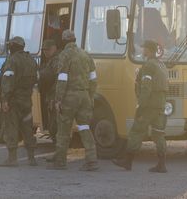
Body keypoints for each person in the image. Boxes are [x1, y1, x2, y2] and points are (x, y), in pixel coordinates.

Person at [112, 40, 168, 173]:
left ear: (148, 50)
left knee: (136, 131)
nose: (142, 51)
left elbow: (146, 88)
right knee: (159, 134)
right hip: (160, 104)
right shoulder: (162, 65)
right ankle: (162, 164)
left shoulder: (149, 66)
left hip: (149, 105)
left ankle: (128, 161)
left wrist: (141, 105)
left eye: (144, 49)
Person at [47, 30, 99, 171]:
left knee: (64, 129)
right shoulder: (85, 54)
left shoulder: (65, 55)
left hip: (69, 97)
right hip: (85, 96)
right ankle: (92, 160)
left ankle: (60, 162)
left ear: (64, 42)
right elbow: (93, 79)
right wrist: (90, 96)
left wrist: (58, 100)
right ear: (75, 40)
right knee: (84, 127)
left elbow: (62, 79)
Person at [0, 36, 38, 167]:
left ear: (13, 46)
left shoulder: (12, 60)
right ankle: (31, 158)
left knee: (11, 127)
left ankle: (12, 159)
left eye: (10, 45)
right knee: (27, 128)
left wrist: (5, 100)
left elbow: (7, 81)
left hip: (13, 101)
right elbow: (36, 79)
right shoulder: (31, 60)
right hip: (26, 100)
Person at [39, 39, 60, 142]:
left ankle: (58, 148)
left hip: (54, 97)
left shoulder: (56, 61)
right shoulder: (52, 61)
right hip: (53, 97)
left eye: (48, 50)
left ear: (54, 48)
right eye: (44, 50)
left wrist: (53, 98)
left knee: (54, 125)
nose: (45, 52)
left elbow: (56, 81)